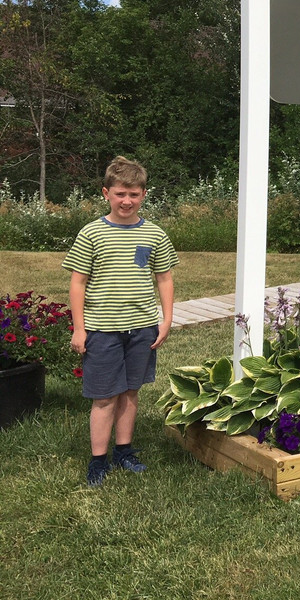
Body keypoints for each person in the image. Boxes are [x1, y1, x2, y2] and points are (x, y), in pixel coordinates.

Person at [64, 156, 178, 487]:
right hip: (102, 330)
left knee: (130, 392)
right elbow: (78, 282)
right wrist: (80, 328)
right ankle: (98, 460)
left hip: (142, 327)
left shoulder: (155, 234)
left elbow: (164, 278)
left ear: (144, 194)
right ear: (106, 194)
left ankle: (124, 451)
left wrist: (166, 319)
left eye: (134, 194)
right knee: (104, 397)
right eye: (119, 194)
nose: (126, 201)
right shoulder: (92, 234)